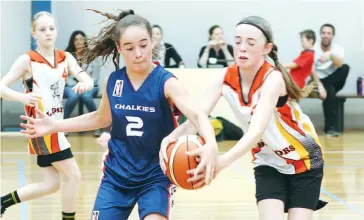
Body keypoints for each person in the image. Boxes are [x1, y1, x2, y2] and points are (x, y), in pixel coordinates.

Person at [19, 9, 218, 220]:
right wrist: (55, 125)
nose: (138, 53)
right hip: (117, 175)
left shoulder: (167, 82)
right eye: (130, 48)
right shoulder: (113, 82)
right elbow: (100, 118)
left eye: (143, 45)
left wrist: (211, 143)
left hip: (155, 176)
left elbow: (197, 115)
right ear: (119, 48)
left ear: (152, 41)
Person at [161, 16, 327, 220]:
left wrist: (220, 162)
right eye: (237, 41)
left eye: (250, 42)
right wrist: (170, 138)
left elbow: (255, 130)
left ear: (266, 48)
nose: (242, 48)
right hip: (268, 160)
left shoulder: (273, 79)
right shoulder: (224, 77)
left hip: (305, 159)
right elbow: (198, 117)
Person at [0, 11, 94, 219]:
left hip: (55, 125)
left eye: (51, 28)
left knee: (51, 184)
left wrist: (85, 82)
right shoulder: (27, 61)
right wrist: (22, 98)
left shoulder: (65, 57)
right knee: (74, 175)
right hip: (41, 128)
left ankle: (2, 202)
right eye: (42, 29)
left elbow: (85, 77)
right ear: (34, 34)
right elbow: (1, 87)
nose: (48, 33)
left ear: (57, 31)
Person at [313, 23, 349, 136]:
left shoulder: (338, 49)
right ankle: (330, 128)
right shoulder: (313, 49)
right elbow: (311, 71)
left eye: (328, 33)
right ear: (320, 35)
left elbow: (339, 65)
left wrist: (330, 54)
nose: (325, 35)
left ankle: (326, 85)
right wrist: (320, 85)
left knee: (345, 67)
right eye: (323, 33)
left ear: (332, 36)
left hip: (334, 80)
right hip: (317, 81)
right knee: (330, 90)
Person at [64, 30, 102, 136]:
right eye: (76, 40)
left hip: (91, 86)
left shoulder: (92, 56)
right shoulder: (67, 56)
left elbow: (95, 77)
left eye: (81, 39)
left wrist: (86, 84)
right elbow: (65, 76)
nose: (79, 42)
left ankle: (97, 125)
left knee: (86, 96)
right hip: (71, 86)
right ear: (72, 42)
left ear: (85, 41)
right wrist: (76, 85)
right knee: (73, 96)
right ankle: (63, 124)